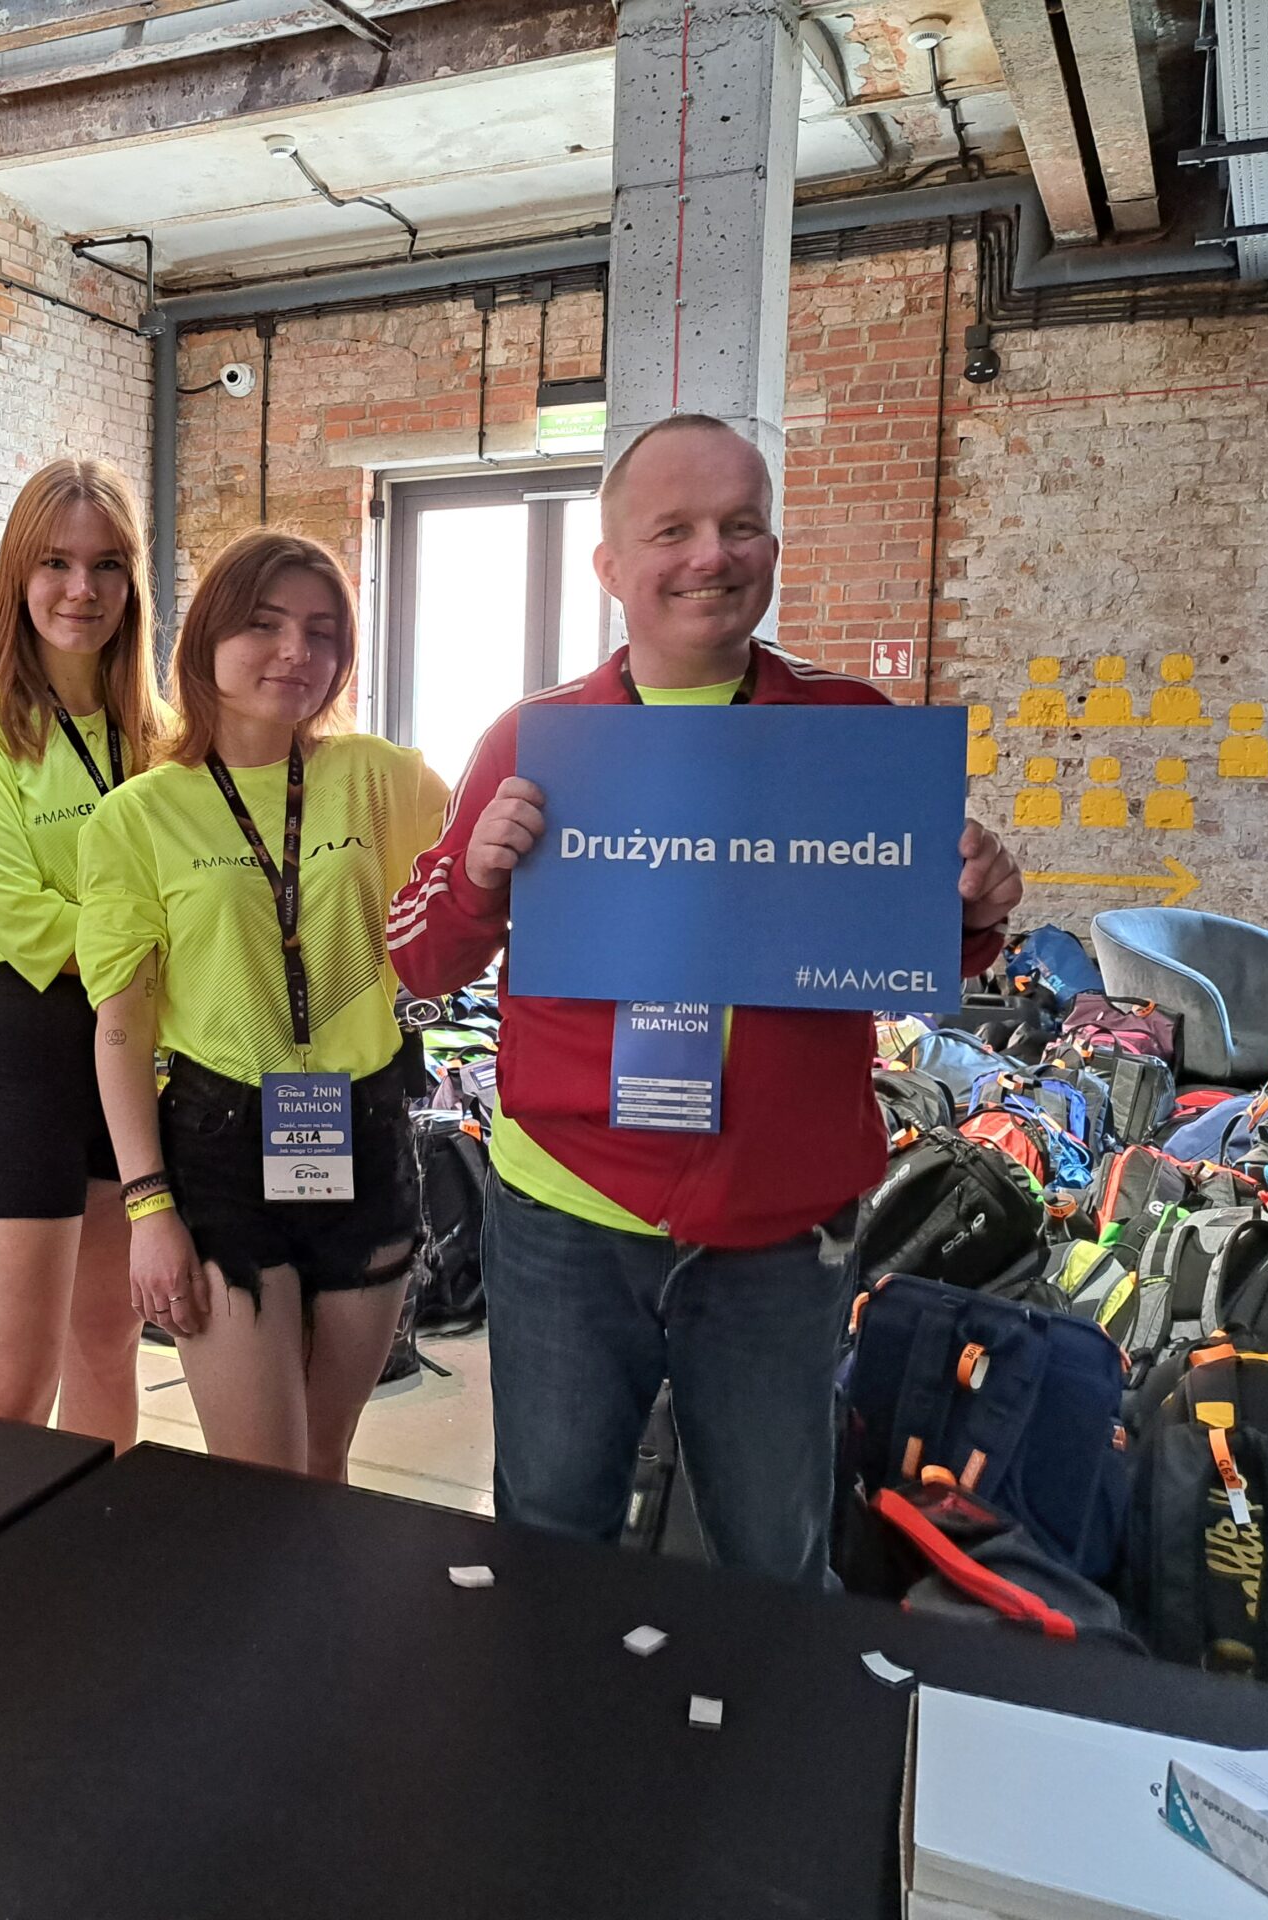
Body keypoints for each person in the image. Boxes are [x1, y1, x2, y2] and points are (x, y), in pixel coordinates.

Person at [386, 412, 1024, 1584]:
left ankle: (759, 1712)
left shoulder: (850, 733)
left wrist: (974, 903)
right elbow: (419, 963)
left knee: (773, 1559)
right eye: (671, 530)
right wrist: (477, 877)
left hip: (777, 1228)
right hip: (566, 1212)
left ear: (772, 547)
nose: (710, 556)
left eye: (740, 526)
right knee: (548, 1539)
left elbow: (918, 945)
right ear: (609, 565)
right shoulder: (533, 739)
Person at [82, 529, 449, 1478]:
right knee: (262, 1481)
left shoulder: (383, 779)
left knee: (323, 1466)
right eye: (265, 624)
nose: (296, 651)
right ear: (207, 637)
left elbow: (480, 884)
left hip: (367, 1134)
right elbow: (120, 1028)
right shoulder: (140, 815)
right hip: (218, 1150)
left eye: (323, 632)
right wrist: (147, 1209)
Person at [0, 459, 161, 1444]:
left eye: (107, 565)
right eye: (56, 563)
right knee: (6, 1394)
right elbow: (18, 920)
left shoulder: (158, 731)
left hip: (139, 1070)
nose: (81, 590)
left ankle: (101, 1541)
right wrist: (154, 947)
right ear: (17, 574)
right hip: (30, 1058)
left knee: (109, 1349)